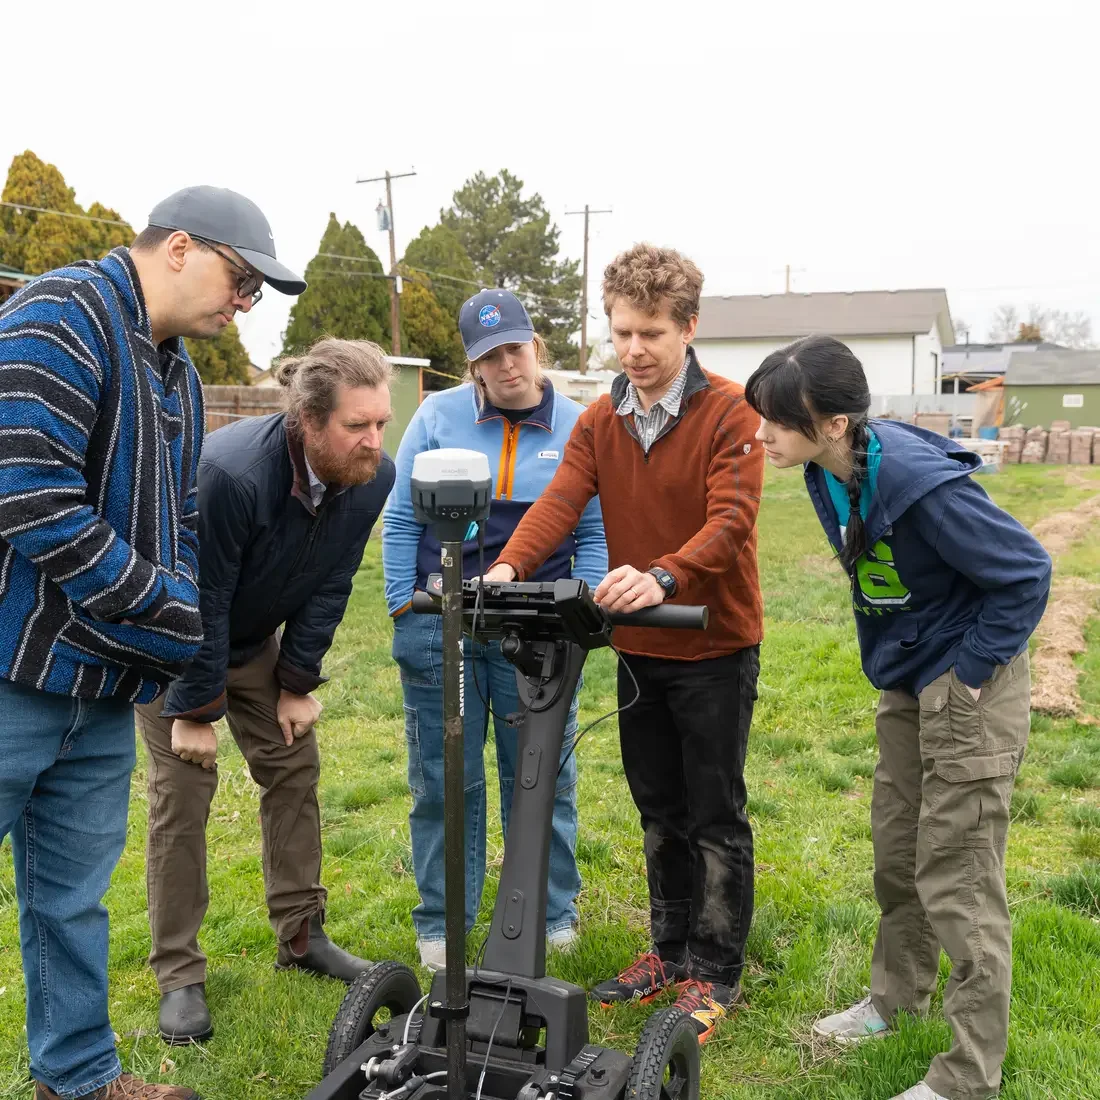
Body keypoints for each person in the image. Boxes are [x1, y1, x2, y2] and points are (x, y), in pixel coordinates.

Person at [0, 184, 304, 1100]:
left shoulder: (178, 374)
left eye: (255, 292)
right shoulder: (61, 313)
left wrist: (174, 625)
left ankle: (78, 1079)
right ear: (179, 247)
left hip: (101, 686)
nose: (244, 302)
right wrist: (161, 607)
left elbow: (179, 521)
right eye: (242, 280)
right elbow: (29, 494)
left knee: (71, 901)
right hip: (12, 674)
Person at [745, 335, 1052, 1100]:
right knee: (898, 852)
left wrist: (969, 675)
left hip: (967, 686)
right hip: (910, 682)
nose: (762, 434)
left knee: (959, 875)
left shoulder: (920, 484)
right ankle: (894, 1001)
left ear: (834, 424)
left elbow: (1026, 573)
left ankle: (968, 1075)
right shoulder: (826, 469)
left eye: (777, 421)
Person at [483, 245, 764, 1044]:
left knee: (714, 814)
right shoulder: (602, 420)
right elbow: (560, 500)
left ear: (689, 328)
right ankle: (668, 952)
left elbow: (730, 521)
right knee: (658, 809)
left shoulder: (730, 414)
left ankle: (714, 970)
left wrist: (665, 576)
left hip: (713, 643)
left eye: (651, 334)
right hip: (642, 647)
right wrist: (506, 568)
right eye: (622, 333)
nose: (634, 350)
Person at [135, 337, 395, 1045]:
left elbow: (332, 580)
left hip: (251, 644)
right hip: (174, 638)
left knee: (293, 766)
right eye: (357, 426)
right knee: (183, 792)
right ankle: (179, 973)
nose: (375, 442)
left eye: (381, 422)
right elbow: (201, 594)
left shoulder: (372, 476)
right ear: (308, 421)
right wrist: (195, 710)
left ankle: (302, 935)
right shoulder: (230, 474)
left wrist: (297, 682)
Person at [382, 289, 607, 969]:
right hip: (440, 621)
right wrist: (403, 610)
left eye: (515, 349)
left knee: (540, 776)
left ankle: (551, 910)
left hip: (537, 632)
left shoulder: (581, 425)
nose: (506, 365)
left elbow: (593, 532)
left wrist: (581, 614)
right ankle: (443, 919)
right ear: (472, 365)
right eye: (489, 356)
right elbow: (401, 519)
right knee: (442, 779)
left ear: (535, 346)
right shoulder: (436, 416)